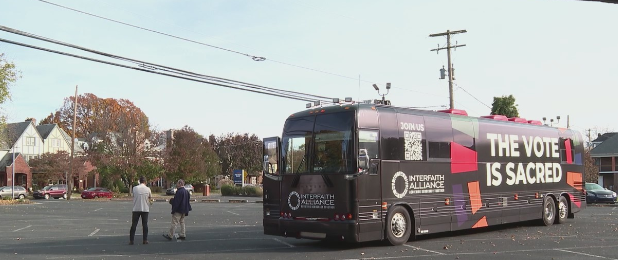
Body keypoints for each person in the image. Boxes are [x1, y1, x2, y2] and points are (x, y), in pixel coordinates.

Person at [129, 176, 152, 245]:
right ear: (145, 181)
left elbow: (134, 196)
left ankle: (131, 240)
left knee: (134, 225)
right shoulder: (148, 189)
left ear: (139, 181)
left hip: (136, 208)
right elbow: (150, 198)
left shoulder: (135, 188)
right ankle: (145, 240)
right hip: (145, 208)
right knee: (145, 225)